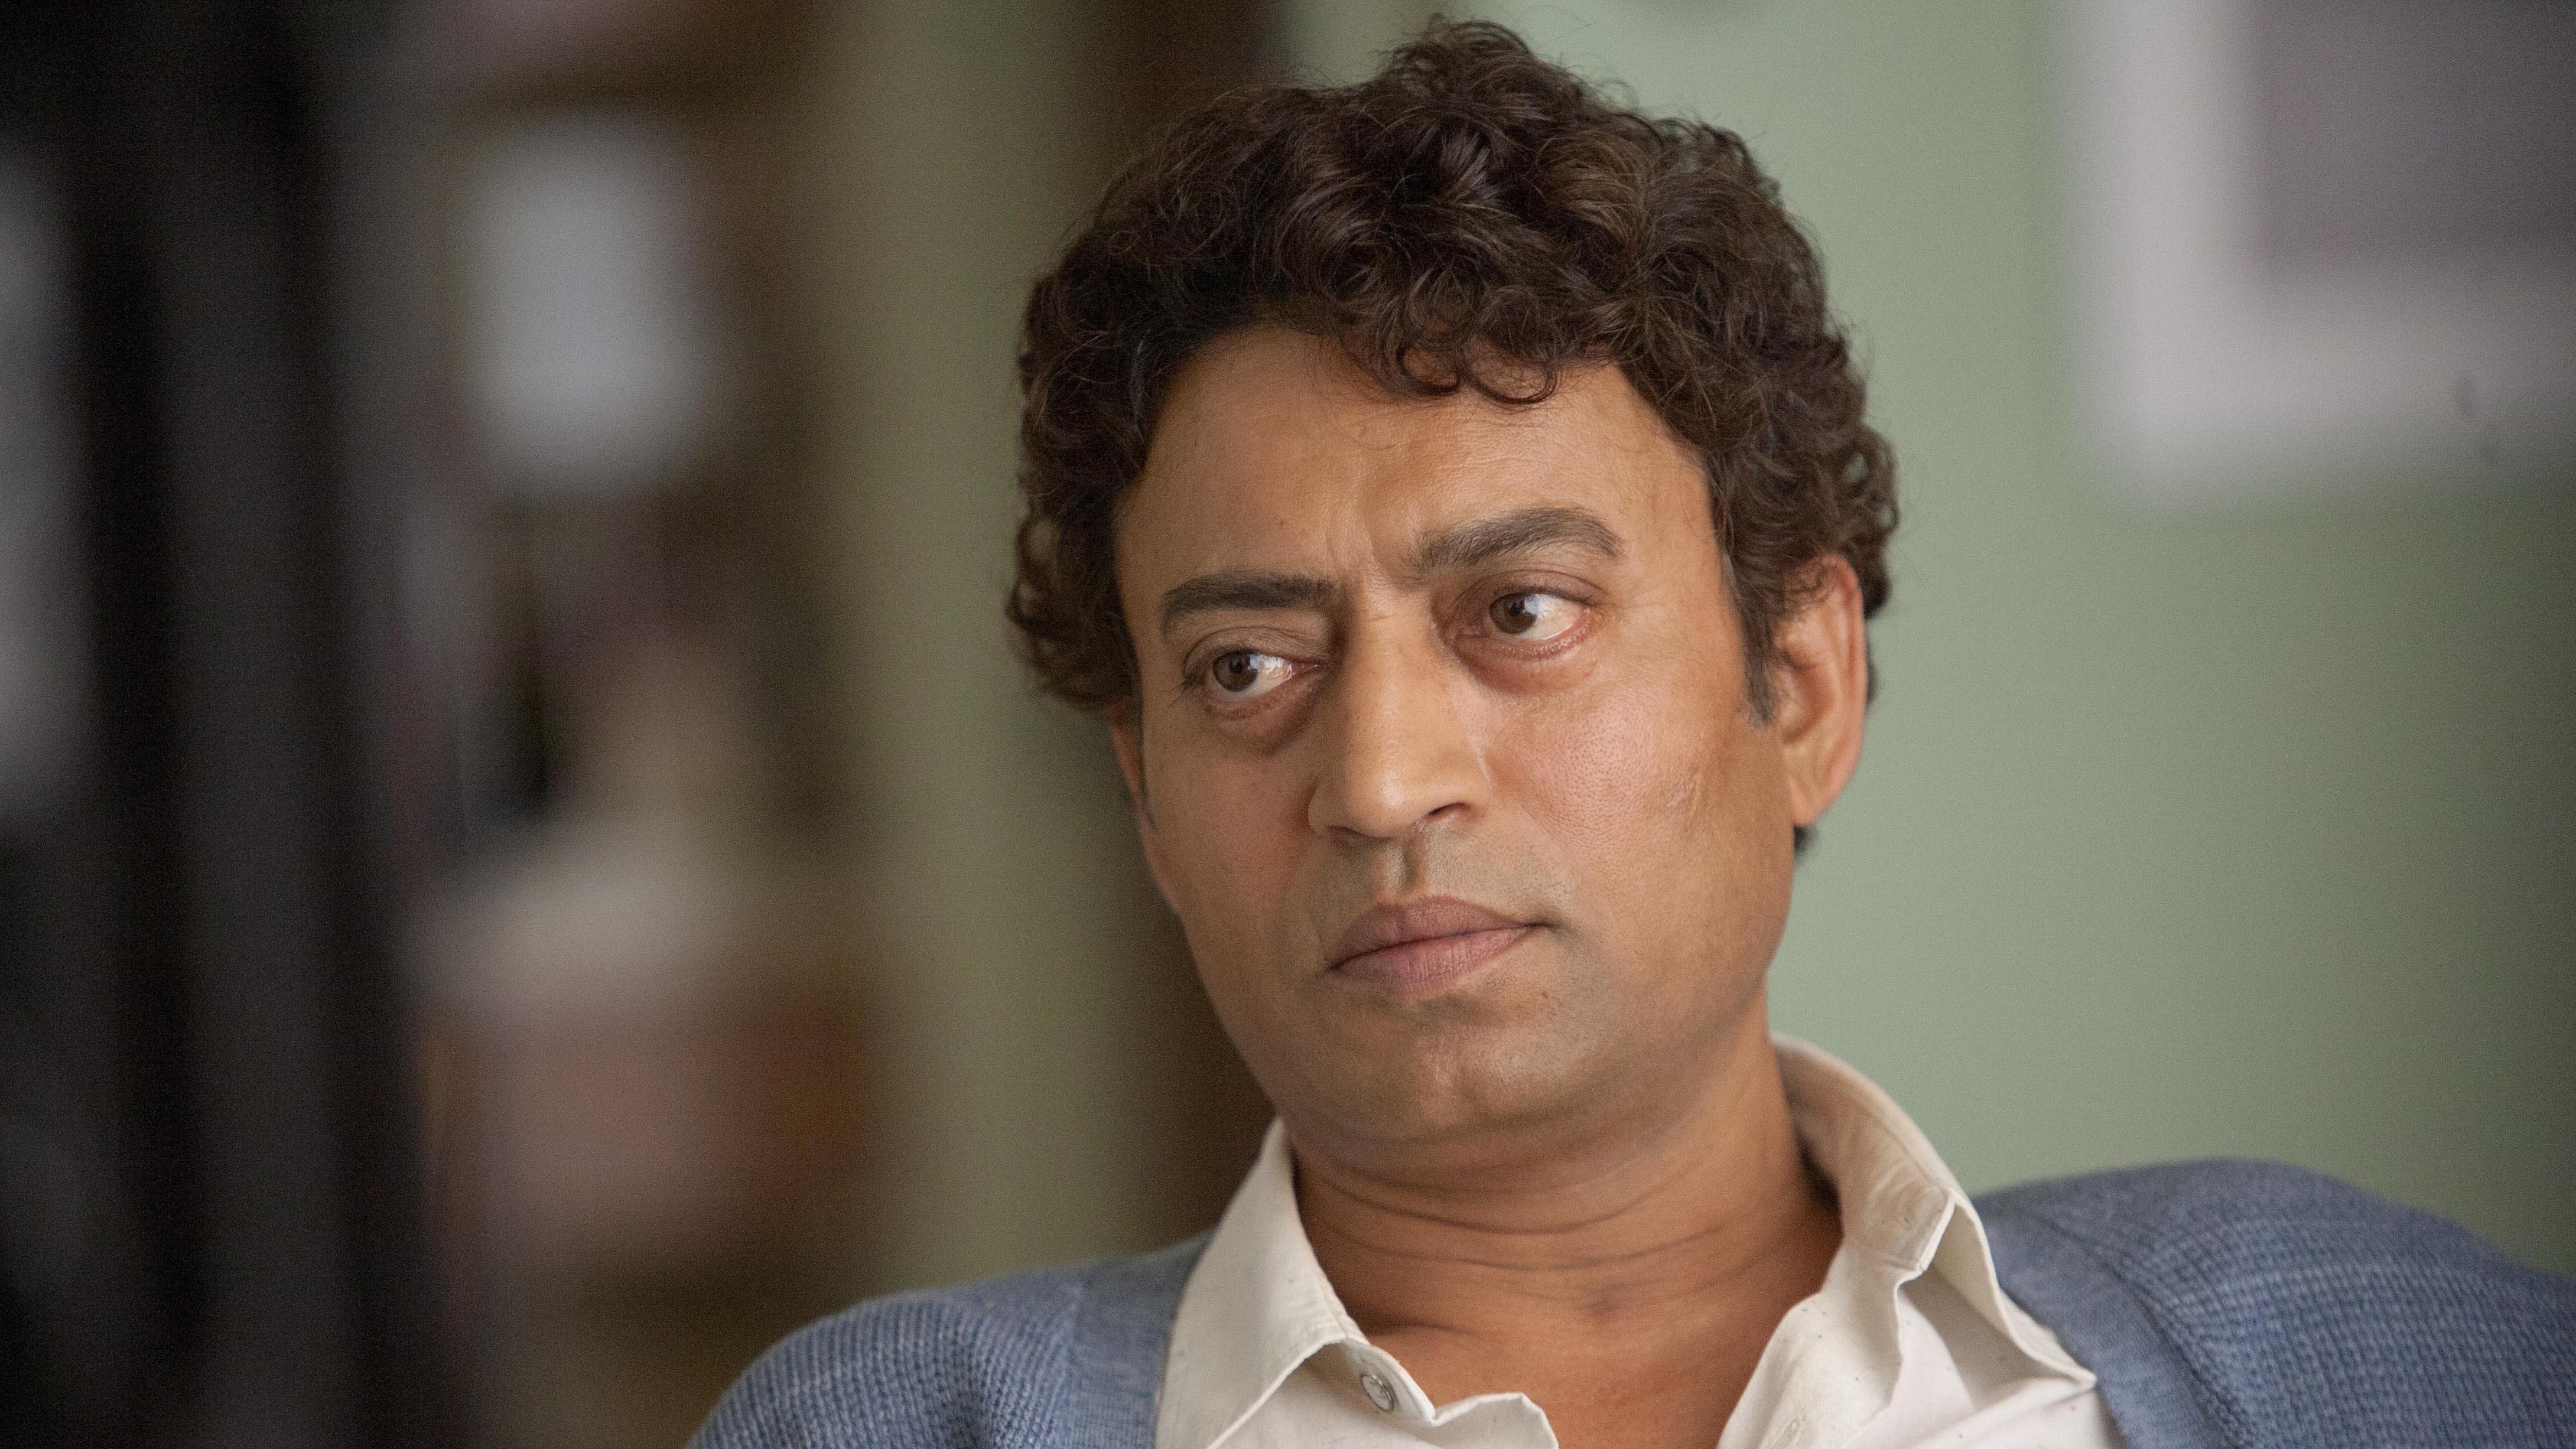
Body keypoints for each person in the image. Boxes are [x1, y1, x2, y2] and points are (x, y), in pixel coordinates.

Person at [692, 21, 2575, 1449]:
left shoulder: (2369, 1350)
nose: (1380, 783)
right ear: (1150, 807)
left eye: (1522, 613)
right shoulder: (892, 1427)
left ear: (1802, 689)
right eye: (1247, 669)